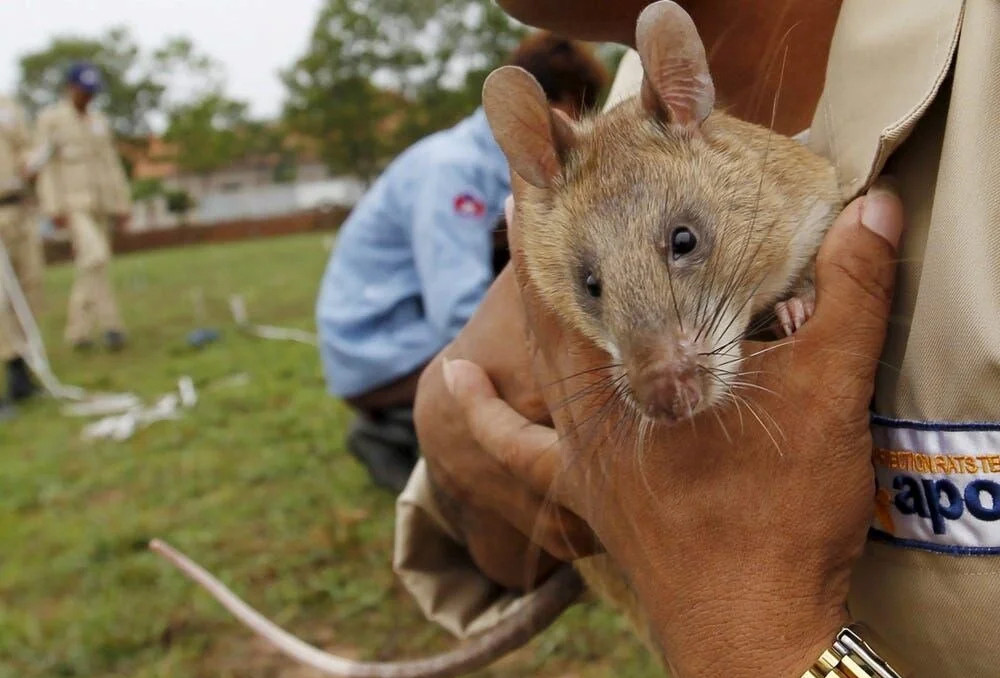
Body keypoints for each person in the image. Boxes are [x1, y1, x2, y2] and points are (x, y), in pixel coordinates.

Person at [398, 0, 998, 676]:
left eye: (684, 244)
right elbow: (501, 539)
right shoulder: (613, 127)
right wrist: (451, 419)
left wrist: (752, 632)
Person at [316, 33, 609, 492]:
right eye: (584, 119)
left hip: (412, 335)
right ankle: (396, 436)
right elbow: (456, 310)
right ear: (560, 108)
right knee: (546, 379)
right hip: (379, 350)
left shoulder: (497, 165)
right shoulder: (453, 169)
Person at [36, 61, 130, 352]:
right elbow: (46, 166)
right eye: (82, 91)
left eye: (91, 92)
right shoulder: (51, 120)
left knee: (92, 264)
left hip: (101, 204)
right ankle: (111, 325)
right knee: (96, 256)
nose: (87, 97)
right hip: (73, 205)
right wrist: (53, 208)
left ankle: (81, 331)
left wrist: (122, 202)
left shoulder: (99, 122)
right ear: (70, 88)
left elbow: (111, 165)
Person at [0, 93, 44, 416]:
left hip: (18, 207)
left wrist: (31, 160)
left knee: (29, 287)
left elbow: (25, 145)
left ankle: (23, 370)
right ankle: (13, 365)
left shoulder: (8, 105)